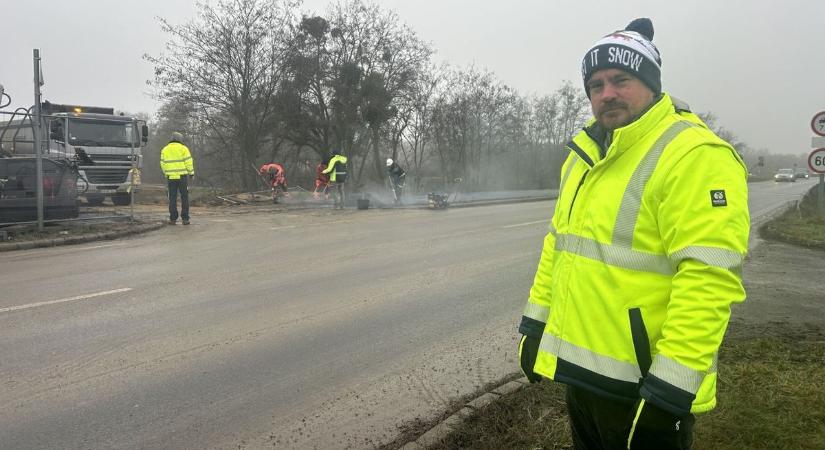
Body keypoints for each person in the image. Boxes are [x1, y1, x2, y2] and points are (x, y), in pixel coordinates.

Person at [517, 18, 749, 450]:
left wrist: (670, 393)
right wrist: (536, 324)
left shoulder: (694, 154)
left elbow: (707, 281)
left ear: (651, 83)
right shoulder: (584, 155)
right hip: (583, 378)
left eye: (621, 80)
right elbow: (560, 246)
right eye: (596, 85)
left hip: (644, 387)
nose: (606, 94)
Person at [160, 132, 195, 225]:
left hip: (171, 178)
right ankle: (185, 218)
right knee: (184, 197)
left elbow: (162, 163)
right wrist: (191, 173)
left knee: (172, 198)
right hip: (182, 177)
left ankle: (173, 219)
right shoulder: (184, 148)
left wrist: (166, 173)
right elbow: (188, 162)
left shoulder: (165, 149)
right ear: (180, 139)